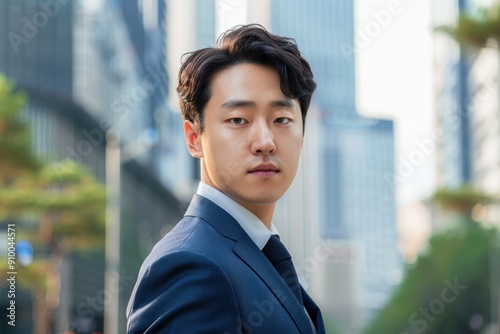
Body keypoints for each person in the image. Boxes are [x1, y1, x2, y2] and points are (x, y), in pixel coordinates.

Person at [126, 24, 325, 334]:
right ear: (193, 138)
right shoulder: (190, 267)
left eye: (282, 119)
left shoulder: (257, 254)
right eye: (238, 120)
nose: (264, 141)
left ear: (302, 135)